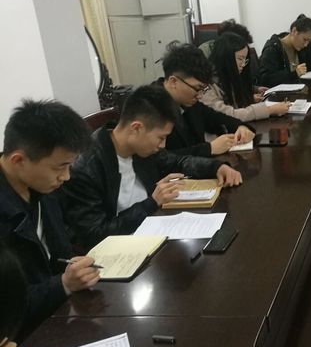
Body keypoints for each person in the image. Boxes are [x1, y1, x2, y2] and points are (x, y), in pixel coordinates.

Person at [61, 85, 243, 248]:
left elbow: (178, 162)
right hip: (122, 250)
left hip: (152, 230)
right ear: (136, 128)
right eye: (161, 138)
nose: (162, 145)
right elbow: (96, 235)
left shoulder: (140, 148)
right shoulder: (85, 167)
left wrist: (217, 167)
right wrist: (152, 202)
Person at [0, 100, 100, 340]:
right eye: (60, 167)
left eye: (70, 166)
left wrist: (70, 267)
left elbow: (56, 252)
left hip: (57, 315)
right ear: (18, 160)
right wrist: (63, 284)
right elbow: (6, 308)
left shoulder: (41, 186)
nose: (66, 177)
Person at [156, 41, 255, 156]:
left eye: (203, 89)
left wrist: (241, 127)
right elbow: (158, 159)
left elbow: (218, 118)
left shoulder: (190, 103)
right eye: (197, 88)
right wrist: (209, 148)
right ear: (173, 82)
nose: (200, 95)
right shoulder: (151, 108)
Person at [203, 32, 290, 122]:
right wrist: (269, 110)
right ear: (225, 57)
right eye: (240, 59)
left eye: (245, 60)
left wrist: (248, 96)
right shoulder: (205, 83)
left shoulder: (226, 75)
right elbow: (227, 114)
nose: (243, 64)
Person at [259, 14, 311, 87]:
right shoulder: (272, 49)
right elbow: (266, 79)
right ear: (294, 31)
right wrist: (295, 73)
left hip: (300, 92)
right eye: (305, 39)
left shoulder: (304, 46)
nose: (306, 44)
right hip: (280, 96)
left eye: (309, 41)